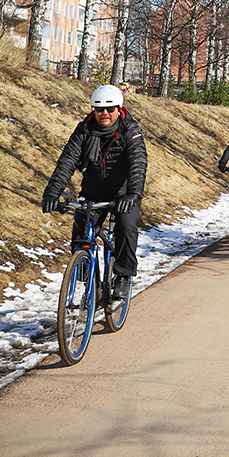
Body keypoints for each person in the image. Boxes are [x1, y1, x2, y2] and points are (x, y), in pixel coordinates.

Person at [41, 84, 147, 300]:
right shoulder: (84, 129)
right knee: (80, 239)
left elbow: (138, 164)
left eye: (110, 109)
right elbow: (67, 161)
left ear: (119, 109)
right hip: (92, 193)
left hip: (123, 195)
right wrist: (52, 193)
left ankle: (123, 277)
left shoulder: (130, 130)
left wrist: (133, 195)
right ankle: (90, 284)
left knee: (126, 228)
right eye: (99, 109)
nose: (104, 114)